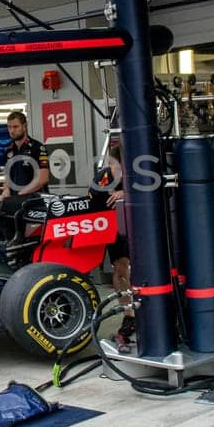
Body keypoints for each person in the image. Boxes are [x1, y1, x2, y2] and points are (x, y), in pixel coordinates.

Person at [92, 137, 133, 346]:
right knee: (119, 270)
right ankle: (128, 313)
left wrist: (126, 193)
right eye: (110, 165)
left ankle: (141, 311)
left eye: (116, 165)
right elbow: (90, 200)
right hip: (111, 229)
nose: (112, 169)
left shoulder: (137, 177)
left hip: (135, 228)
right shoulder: (102, 178)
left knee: (131, 268)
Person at [0, 110, 50, 199]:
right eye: (9, 127)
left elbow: (43, 178)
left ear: (24, 126)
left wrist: (21, 194)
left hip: (36, 200)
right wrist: (6, 190)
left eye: (15, 127)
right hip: (16, 202)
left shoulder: (37, 147)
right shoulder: (8, 151)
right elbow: (8, 177)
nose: (12, 131)